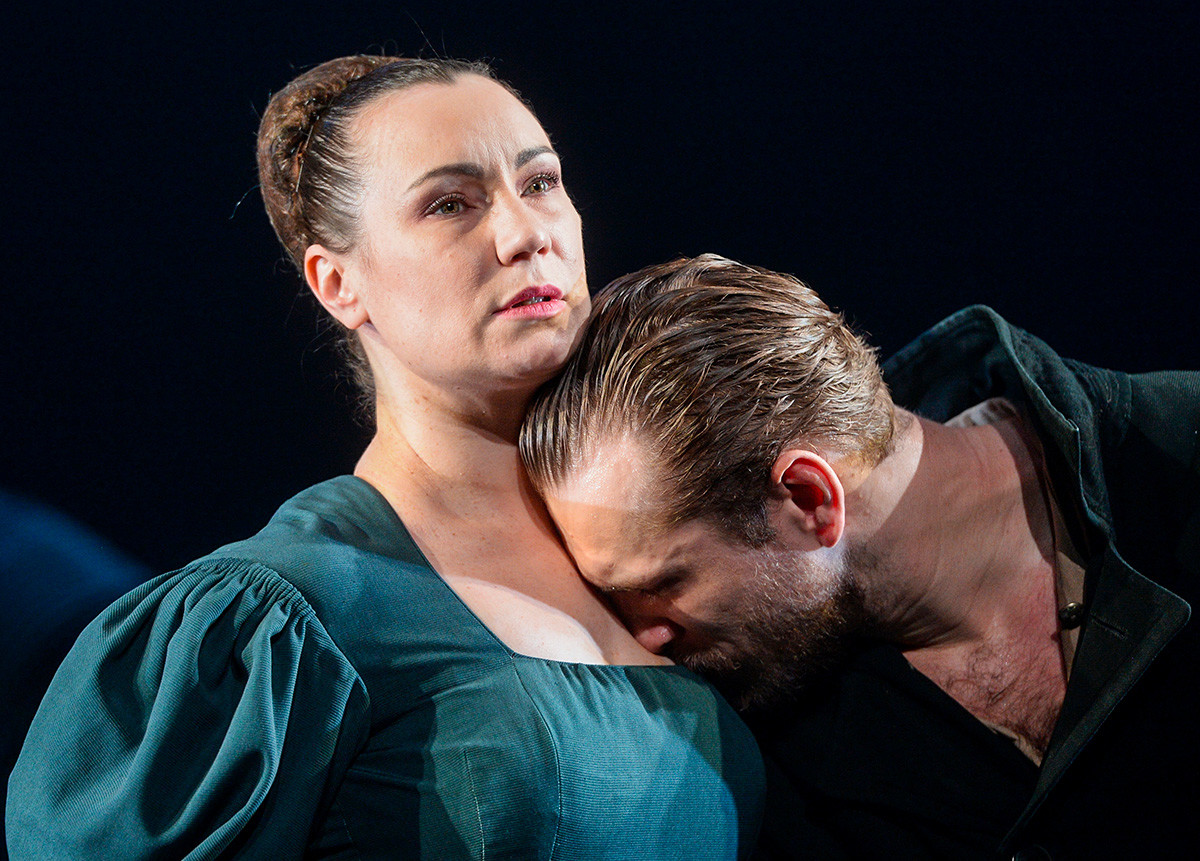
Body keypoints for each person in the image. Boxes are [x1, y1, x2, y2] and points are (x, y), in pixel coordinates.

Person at [6, 62, 764, 859]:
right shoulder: (280, 620)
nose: (525, 233)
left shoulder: (661, 549)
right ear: (338, 283)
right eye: (449, 204)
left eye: (540, 182)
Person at [520, 253, 1200, 858]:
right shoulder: (756, 750)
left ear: (810, 497)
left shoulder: (1176, 462)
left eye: (664, 582)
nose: (646, 637)